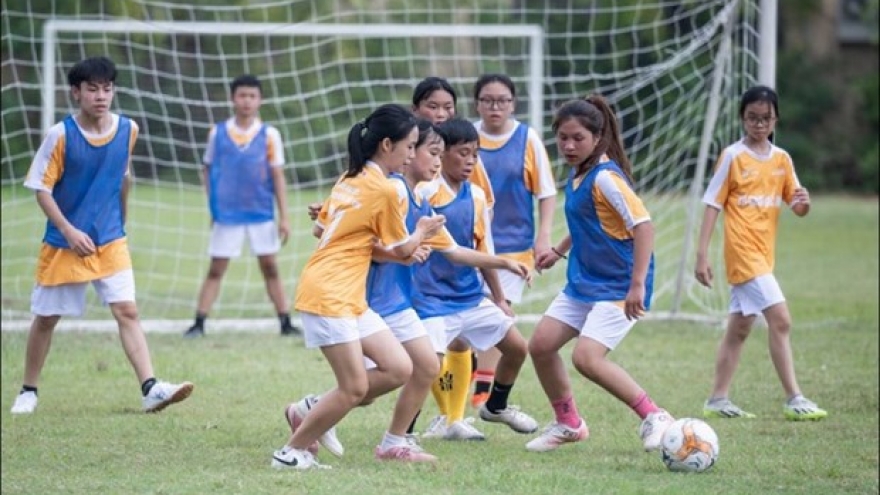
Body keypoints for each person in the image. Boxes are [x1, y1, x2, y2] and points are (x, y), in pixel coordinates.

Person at [294, 119, 531, 462]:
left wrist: (504, 263)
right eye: (430, 152)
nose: (437, 161)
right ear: (407, 153)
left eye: (439, 154)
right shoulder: (389, 190)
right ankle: (311, 417)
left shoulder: (419, 199)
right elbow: (367, 240)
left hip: (399, 300)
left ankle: (393, 441)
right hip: (368, 298)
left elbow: (452, 250)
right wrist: (406, 248)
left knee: (419, 367)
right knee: (361, 388)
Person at [10, 56, 194, 415]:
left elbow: (122, 176)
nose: (101, 96)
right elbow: (41, 190)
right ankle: (28, 390)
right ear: (76, 93)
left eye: (107, 89)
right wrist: (68, 229)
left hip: (110, 239)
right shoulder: (60, 135)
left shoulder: (129, 129)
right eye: (92, 89)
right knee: (47, 319)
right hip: (65, 243)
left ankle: (150, 388)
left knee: (127, 310)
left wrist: (120, 221)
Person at [270, 104, 447, 470]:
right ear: (387, 144)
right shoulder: (383, 189)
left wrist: (401, 253)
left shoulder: (349, 178)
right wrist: (422, 232)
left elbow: (324, 229)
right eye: (410, 146)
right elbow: (401, 246)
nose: (412, 155)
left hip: (348, 293)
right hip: (329, 292)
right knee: (353, 388)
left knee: (399, 367)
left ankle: (310, 409)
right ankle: (291, 452)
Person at [525, 95, 674, 453]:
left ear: (597, 138)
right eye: (562, 137)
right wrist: (559, 250)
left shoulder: (606, 178)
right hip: (585, 281)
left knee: (586, 358)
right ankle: (568, 424)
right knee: (541, 346)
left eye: (577, 138)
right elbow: (589, 223)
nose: (569, 145)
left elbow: (644, 226)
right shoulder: (580, 174)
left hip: (620, 285)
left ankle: (655, 415)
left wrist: (637, 284)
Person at [695, 85, 827, 421]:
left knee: (739, 328)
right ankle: (794, 398)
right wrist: (701, 255)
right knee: (781, 320)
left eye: (765, 118)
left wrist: (803, 205)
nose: (759, 124)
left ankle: (717, 399)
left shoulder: (782, 159)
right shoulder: (733, 157)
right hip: (742, 253)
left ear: (775, 120)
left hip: (764, 255)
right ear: (742, 119)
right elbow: (712, 204)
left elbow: (796, 204)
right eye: (752, 118)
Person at [412, 117, 539, 441]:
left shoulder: (479, 197)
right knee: (426, 366)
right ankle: (406, 431)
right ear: (443, 153)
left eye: (475, 154)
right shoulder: (426, 191)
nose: (470, 161)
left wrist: (498, 298)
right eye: (463, 153)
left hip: (469, 296)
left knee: (516, 348)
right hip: (430, 300)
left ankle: (494, 406)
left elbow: (484, 250)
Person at [183, 74, 299, 338]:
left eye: (252, 96)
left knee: (270, 267)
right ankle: (199, 322)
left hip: (261, 213)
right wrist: (214, 206)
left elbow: (278, 176)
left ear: (260, 100)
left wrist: (284, 217)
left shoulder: (270, 135)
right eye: (242, 95)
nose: (247, 101)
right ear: (233, 98)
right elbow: (208, 169)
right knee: (217, 268)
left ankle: (285, 321)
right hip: (228, 215)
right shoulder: (218, 133)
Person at [469, 73, 557, 408]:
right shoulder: (466, 138)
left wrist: (543, 236)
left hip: (514, 248)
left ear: (513, 104)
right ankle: (474, 385)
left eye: (502, 100)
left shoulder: (527, 138)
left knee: (497, 317)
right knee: (470, 322)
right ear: (477, 103)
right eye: (488, 100)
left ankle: (481, 396)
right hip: (472, 248)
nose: (495, 107)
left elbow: (546, 192)